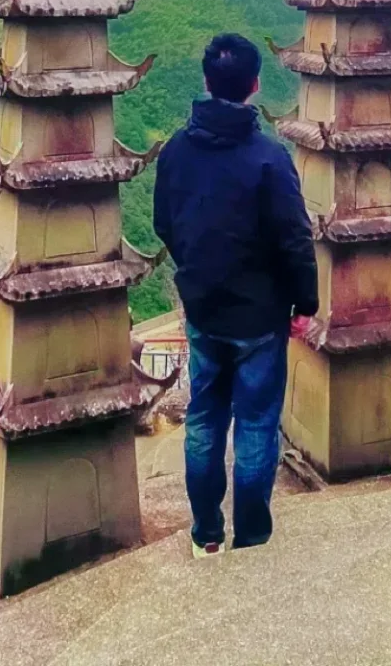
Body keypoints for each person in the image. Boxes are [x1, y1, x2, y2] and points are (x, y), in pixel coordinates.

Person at [153, 33, 318, 557]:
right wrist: (305, 304)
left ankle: (206, 534)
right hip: (259, 317)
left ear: (206, 81)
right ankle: (251, 538)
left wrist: (197, 270)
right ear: (255, 85)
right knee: (255, 425)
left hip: (203, 310)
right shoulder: (269, 158)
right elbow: (295, 238)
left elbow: (164, 223)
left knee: (203, 419)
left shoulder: (175, 150)